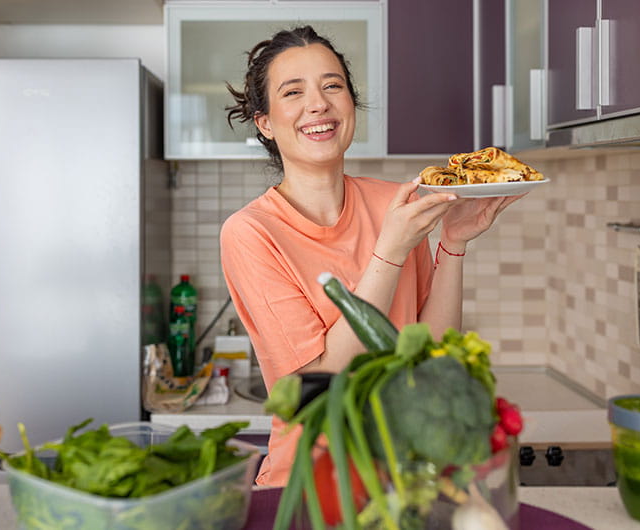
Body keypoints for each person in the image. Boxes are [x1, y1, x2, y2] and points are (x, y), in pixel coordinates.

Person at [219, 26, 523, 487]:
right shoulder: (252, 232)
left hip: (404, 477)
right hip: (314, 485)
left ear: (351, 103)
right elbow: (315, 386)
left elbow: (432, 350)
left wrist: (453, 243)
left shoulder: (393, 204)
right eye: (293, 91)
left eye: (332, 85)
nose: (318, 103)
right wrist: (389, 253)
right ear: (264, 122)